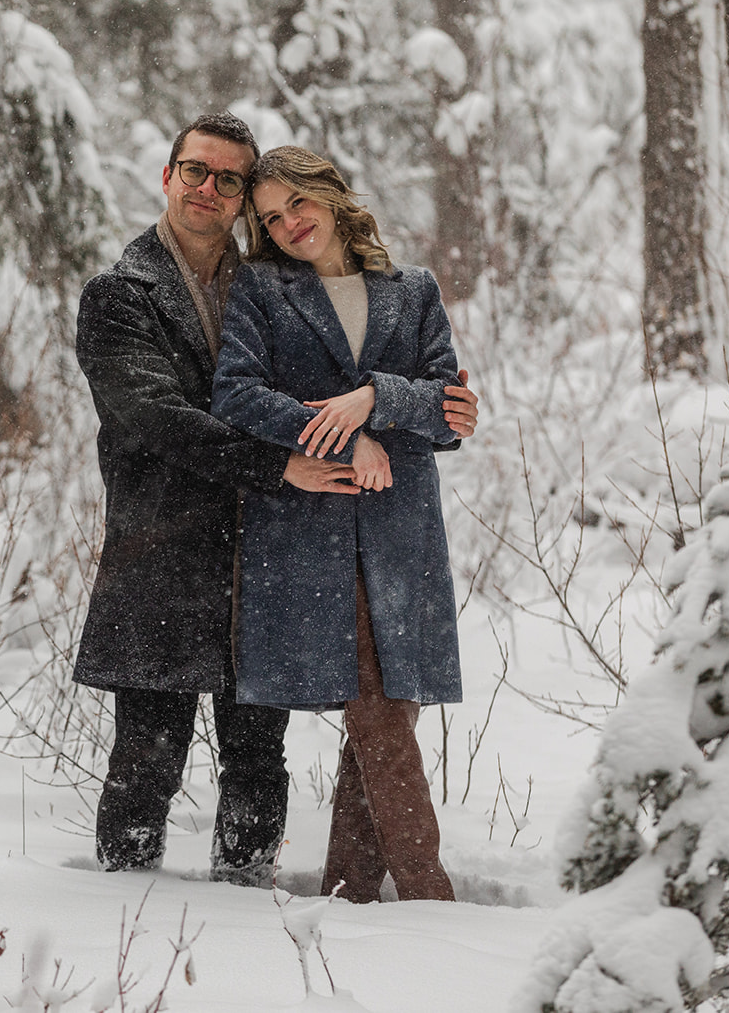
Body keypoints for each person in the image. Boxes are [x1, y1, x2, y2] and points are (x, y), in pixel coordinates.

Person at [73, 118, 477, 886]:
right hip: (164, 550)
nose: (209, 189)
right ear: (168, 175)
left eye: (229, 180)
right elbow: (157, 420)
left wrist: (424, 407)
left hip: (263, 549)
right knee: (149, 751)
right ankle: (119, 913)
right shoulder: (121, 295)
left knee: (258, 751)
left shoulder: (267, 283)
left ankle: (250, 898)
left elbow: (400, 386)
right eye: (197, 171)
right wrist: (283, 462)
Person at [210, 145, 467, 902]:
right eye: (271, 218)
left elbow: (447, 411)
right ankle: (429, 894)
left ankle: (348, 892)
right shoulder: (260, 289)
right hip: (309, 536)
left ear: (331, 196)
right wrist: (344, 432)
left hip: (403, 537)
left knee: (383, 717)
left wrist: (374, 400)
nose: (289, 224)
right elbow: (236, 394)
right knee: (380, 715)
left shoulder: (412, 291)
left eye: (299, 204)